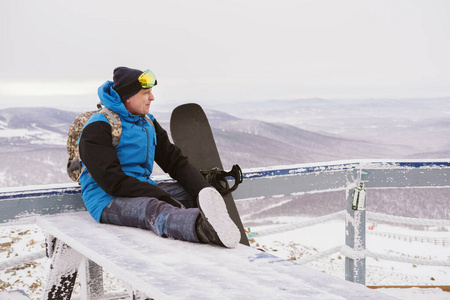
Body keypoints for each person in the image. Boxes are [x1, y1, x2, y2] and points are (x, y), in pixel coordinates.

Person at [78, 66, 240, 248]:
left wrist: (202, 189)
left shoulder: (147, 122)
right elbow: (112, 182)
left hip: (141, 188)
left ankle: (221, 226)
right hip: (105, 198)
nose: (152, 98)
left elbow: (174, 161)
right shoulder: (98, 127)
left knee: (188, 193)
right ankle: (204, 229)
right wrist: (163, 196)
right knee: (154, 210)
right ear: (128, 97)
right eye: (146, 93)